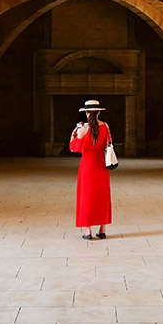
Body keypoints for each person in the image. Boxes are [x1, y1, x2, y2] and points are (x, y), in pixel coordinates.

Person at [69, 99, 112, 240]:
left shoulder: (83, 129)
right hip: (101, 164)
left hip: (87, 165)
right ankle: (102, 229)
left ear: (86, 113)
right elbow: (108, 144)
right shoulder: (105, 126)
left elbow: (74, 147)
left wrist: (74, 134)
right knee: (102, 196)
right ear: (99, 112)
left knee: (86, 196)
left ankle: (88, 231)